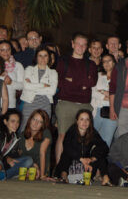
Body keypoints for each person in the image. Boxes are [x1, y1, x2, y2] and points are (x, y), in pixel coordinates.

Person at [55, 33, 97, 164]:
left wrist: (71, 81)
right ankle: (59, 168)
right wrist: (81, 83)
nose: (81, 47)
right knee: (62, 135)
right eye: (78, 44)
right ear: (72, 44)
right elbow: (59, 82)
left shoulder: (91, 64)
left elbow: (92, 82)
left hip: (84, 105)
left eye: (84, 45)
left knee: (84, 138)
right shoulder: (63, 61)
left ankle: (78, 168)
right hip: (65, 104)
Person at [55, 109, 110, 185]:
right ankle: (64, 177)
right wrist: (81, 159)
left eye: (87, 119)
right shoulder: (71, 131)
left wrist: (91, 158)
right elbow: (67, 148)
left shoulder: (92, 132)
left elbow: (104, 147)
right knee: (66, 154)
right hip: (71, 165)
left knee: (100, 154)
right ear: (77, 121)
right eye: (82, 119)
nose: (85, 122)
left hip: (86, 166)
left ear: (90, 121)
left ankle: (105, 178)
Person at [20, 48, 58, 131]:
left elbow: (52, 91)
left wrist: (33, 86)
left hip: (45, 104)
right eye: (40, 56)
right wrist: (43, 85)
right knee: (25, 129)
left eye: (45, 56)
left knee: (43, 131)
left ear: (49, 58)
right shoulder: (29, 69)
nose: (43, 58)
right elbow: (26, 86)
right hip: (30, 104)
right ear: (36, 57)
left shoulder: (53, 73)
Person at [0, 109, 33, 179]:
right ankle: (3, 174)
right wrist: (6, 159)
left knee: (29, 160)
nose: (16, 125)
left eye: (18, 122)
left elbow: (13, 155)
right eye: (12, 121)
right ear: (5, 122)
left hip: (4, 162)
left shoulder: (15, 136)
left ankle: (4, 175)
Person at [91, 53, 117, 147]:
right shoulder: (98, 75)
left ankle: (101, 161)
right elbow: (92, 91)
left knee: (106, 141)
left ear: (114, 62)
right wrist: (105, 96)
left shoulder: (120, 77)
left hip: (112, 111)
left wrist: (104, 92)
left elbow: (120, 95)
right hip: (96, 110)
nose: (106, 63)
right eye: (104, 61)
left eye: (109, 61)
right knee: (91, 139)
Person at [19, 109, 52, 179]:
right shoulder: (22, 135)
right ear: (30, 120)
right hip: (26, 166)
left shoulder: (46, 133)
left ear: (42, 125)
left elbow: (42, 153)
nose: (35, 123)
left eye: (40, 122)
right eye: (34, 119)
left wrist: (43, 175)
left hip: (40, 169)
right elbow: (19, 155)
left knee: (32, 171)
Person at [0, 40, 24, 109]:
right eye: (2, 50)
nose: (6, 52)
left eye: (8, 49)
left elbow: (23, 85)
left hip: (10, 104)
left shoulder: (18, 65)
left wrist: (11, 82)